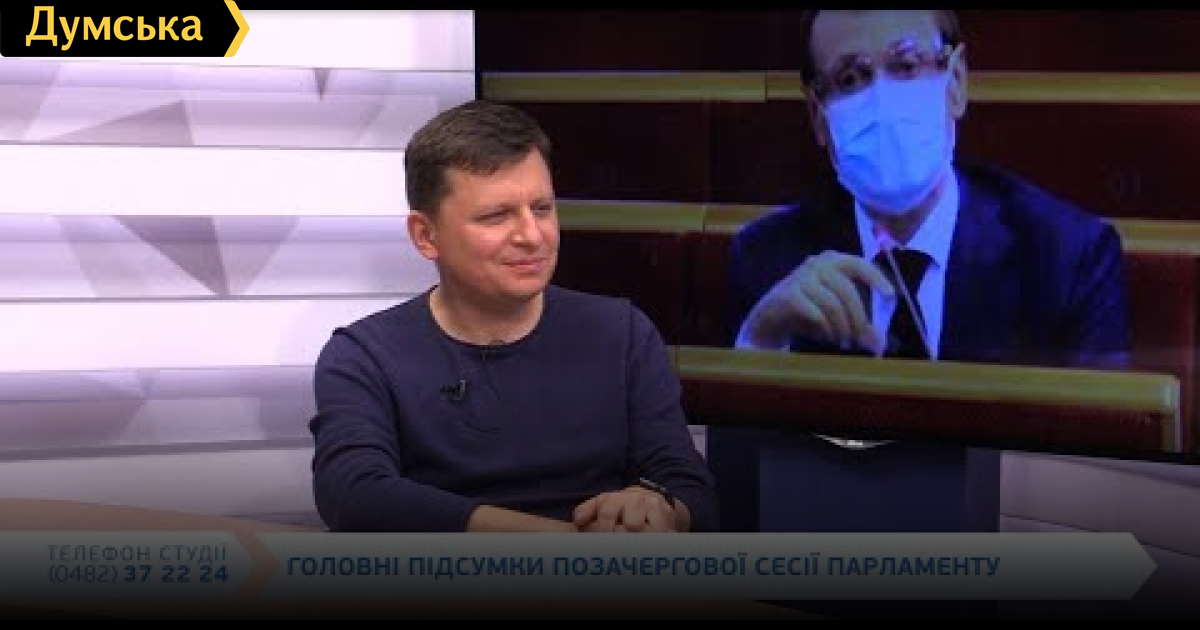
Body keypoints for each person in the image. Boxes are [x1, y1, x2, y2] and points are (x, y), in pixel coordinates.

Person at [709, 8, 1132, 531]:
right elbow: (733, 498)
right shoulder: (766, 258)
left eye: (906, 66)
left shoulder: (1068, 256)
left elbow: (1092, 486)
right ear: (819, 116)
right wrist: (760, 343)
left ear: (955, 82)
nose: (882, 100)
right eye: (851, 78)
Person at [308, 99, 719, 533]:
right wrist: (565, 546)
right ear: (426, 235)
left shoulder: (622, 333)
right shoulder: (365, 355)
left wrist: (657, 507)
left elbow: (691, 490)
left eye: (542, 208)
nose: (532, 235)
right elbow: (354, 495)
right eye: (496, 216)